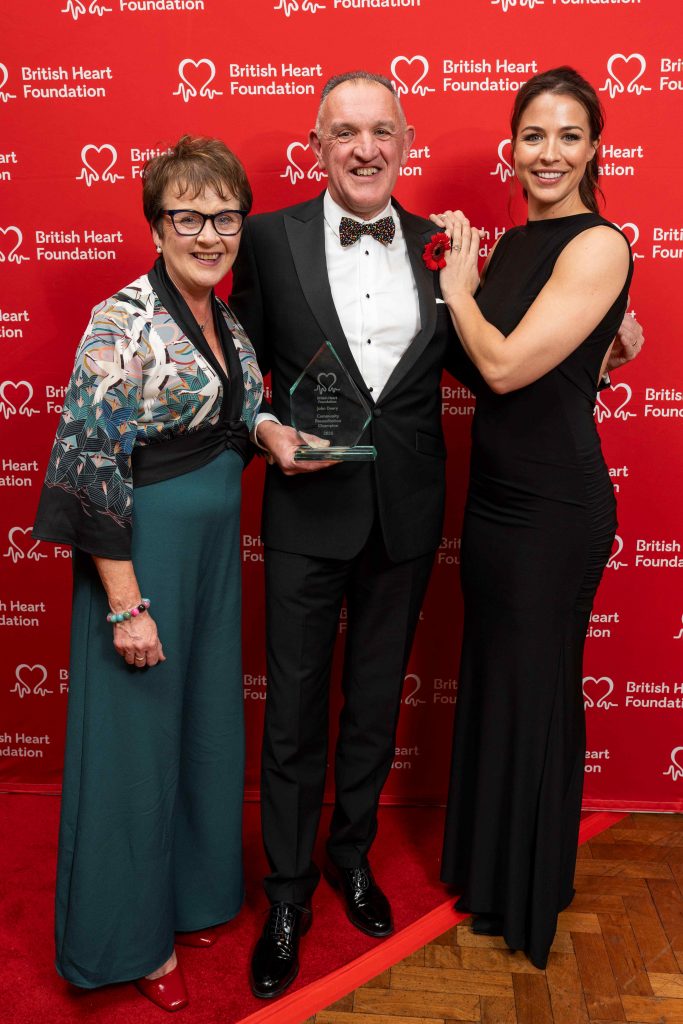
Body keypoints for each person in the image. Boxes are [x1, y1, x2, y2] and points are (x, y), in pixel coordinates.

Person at [229, 70, 641, 999]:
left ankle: (351, 860)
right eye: (345, 132)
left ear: (405, 143)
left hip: (407, 514)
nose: (364, 148)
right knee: (292, 716)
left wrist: (605, 343)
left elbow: (493, 359)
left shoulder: (439, 251)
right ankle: (288, 895)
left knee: (373, 708)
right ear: (317, 144)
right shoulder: (265, 239)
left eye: (382, 131)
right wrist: (261, 429)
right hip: (304, 513)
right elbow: (238, 364)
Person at [32, 135, 263, 1012]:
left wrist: (272, 431)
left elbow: (234, 416)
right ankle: (127, 940)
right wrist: (126, 605)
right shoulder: (119, 320)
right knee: (132, 751)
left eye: (224, 216)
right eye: (188, 216)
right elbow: (89, 463)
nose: (209, 234)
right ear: (157, 225)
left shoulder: (223, 319)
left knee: (203, 729)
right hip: (141, 557)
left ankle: (191, 897)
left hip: (211, 557)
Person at [435, 67, 636, 969]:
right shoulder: (515, 244)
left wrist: (457, 287)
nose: (547, 153)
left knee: (536, 691)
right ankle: (487, 875)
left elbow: (505, 367)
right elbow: (481, 367)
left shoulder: (598, 244)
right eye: (532, 135)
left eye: (567, 136)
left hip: (555, 506)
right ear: (511, 146)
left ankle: (528, 891)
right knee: (497, 684)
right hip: (494, 497)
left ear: (592, 150)